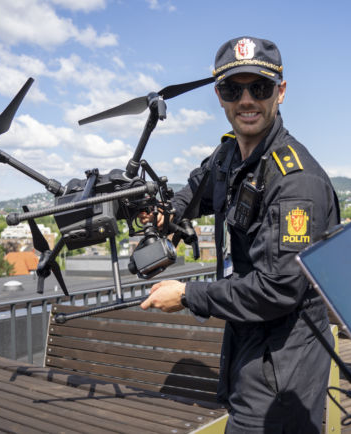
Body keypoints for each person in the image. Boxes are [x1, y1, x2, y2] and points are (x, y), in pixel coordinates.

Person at [140, 36, 340, 433]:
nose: (246, 100)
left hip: (287, 355)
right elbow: (201, 184)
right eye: (234, 89)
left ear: (280, 93)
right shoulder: (232, 154)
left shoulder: (295, 181)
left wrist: (186, 295)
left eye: (259, 88)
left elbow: (278, 288)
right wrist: (171, 214)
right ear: (220, 96)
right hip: (252, 337)